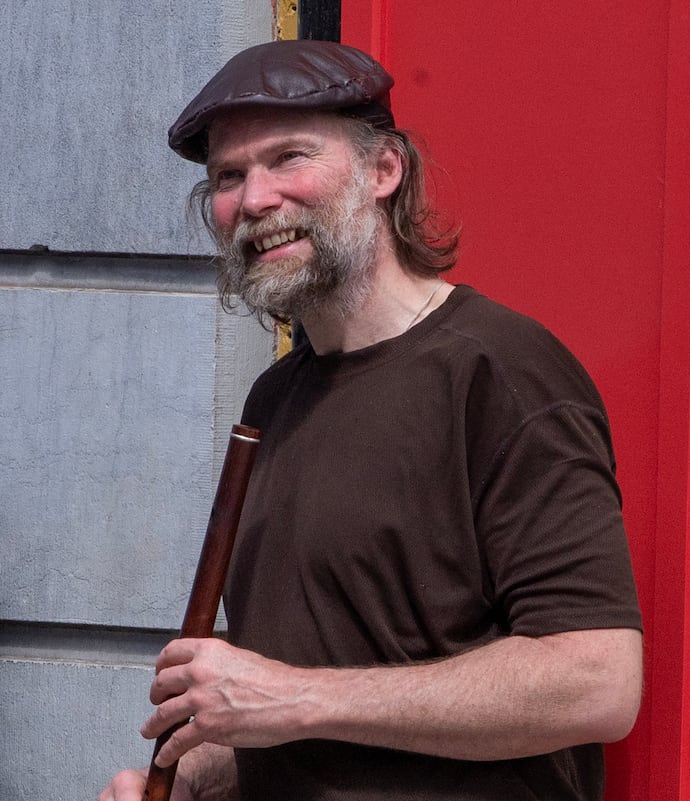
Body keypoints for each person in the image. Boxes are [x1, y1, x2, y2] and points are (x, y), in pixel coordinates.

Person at [100, 39, 642, 801]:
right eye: (229, 175)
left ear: (384, 171)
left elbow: (597, 681)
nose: (255, 199)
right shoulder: (275, 401)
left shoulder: (501, 372)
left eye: (289, 157)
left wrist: (288, 696)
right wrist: (202, 775)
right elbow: (314, 708)